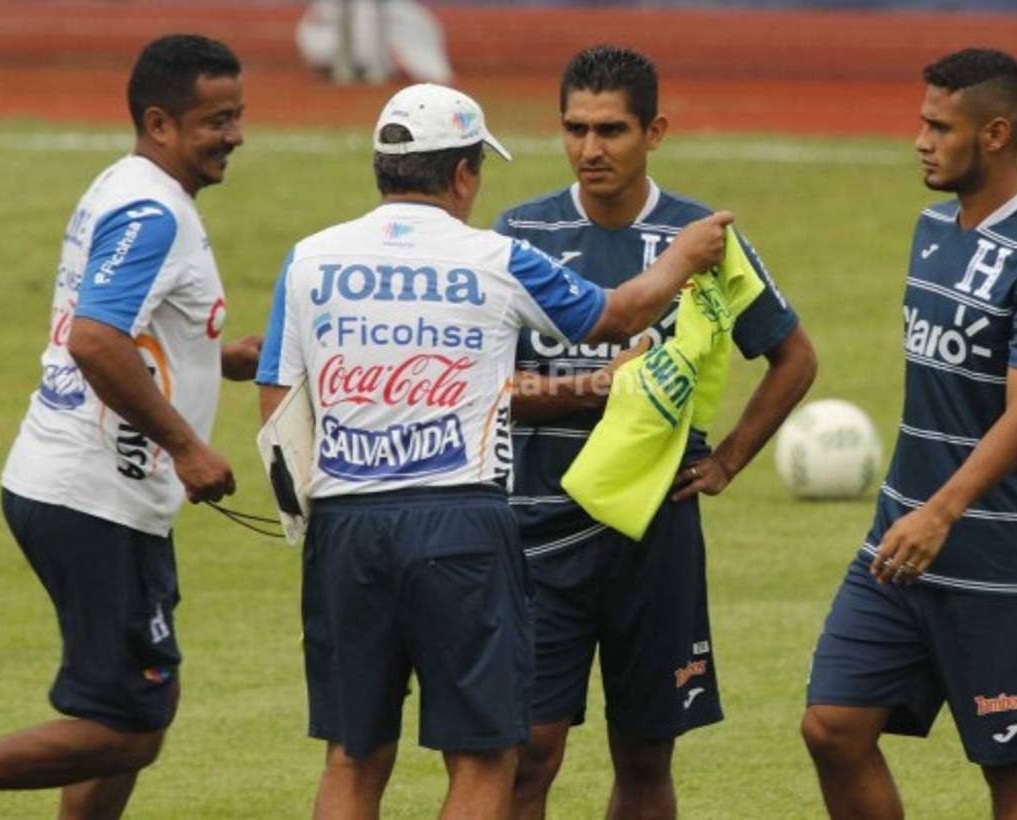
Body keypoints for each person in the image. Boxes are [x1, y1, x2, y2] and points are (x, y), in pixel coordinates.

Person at [255, 82, 731, 819]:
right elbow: (616, 316)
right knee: (482, 760)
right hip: (460, 525)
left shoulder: (309, 260)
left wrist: (316, 513)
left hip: (345, 527)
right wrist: (680, 258)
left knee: (352, 757)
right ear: (463, 173)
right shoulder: (495, 257)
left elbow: (279, 410)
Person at [0, 34, 260, 820]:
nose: (235, 135)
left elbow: (127, 329)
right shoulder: (153, 213)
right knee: (129, 726)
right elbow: (96, 338)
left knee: (137, 710)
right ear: (160, 123)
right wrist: (187, 445)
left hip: (93, 488)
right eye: (217, 120)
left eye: (238, 116)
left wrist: (218, 355)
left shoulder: (132, 189)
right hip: (93, 493)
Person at [493, 45, 817, 819]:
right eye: (575, 129)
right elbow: (487, 389)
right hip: (539, 533)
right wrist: (593, 392)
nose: (589, 149)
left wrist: (731, 459)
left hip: (655, 541)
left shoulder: (700, 238)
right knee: (527, 756)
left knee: (644, 755)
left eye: (611, 130)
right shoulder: (519, 233)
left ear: (654, 132)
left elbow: (794, 358)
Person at [801, 49, 1017, 820]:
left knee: (1014, 774)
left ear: (994, 134)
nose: (920, 139)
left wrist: (941, 511)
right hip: (899, 541)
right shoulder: (931, 229)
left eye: (939, 125)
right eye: (921, 121)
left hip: (999, 559)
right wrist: (915, 514)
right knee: (832, 726)